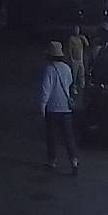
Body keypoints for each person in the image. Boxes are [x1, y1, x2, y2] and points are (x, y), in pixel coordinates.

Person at [39, 41, 79, 175]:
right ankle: (74, 161)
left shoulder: (49, 69)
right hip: (66, 108)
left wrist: (42, 106)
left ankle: (52, 160)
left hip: (52, 108)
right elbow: (70, 83)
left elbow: (46, 89)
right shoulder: (67, 68)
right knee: (69, 137)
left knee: (51, 136)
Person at [65, 25, 89, 90]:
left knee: (82, 74)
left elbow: (87, 45)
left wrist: (84, 38)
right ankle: (74, 87)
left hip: (81, 60)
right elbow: (69, 49)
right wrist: (71, 59)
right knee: (74, 75)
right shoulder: (71, 38)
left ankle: (82, 86)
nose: (77, 31)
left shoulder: (81, 38)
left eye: (78, 30)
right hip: (75, 59)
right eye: (76, 30)